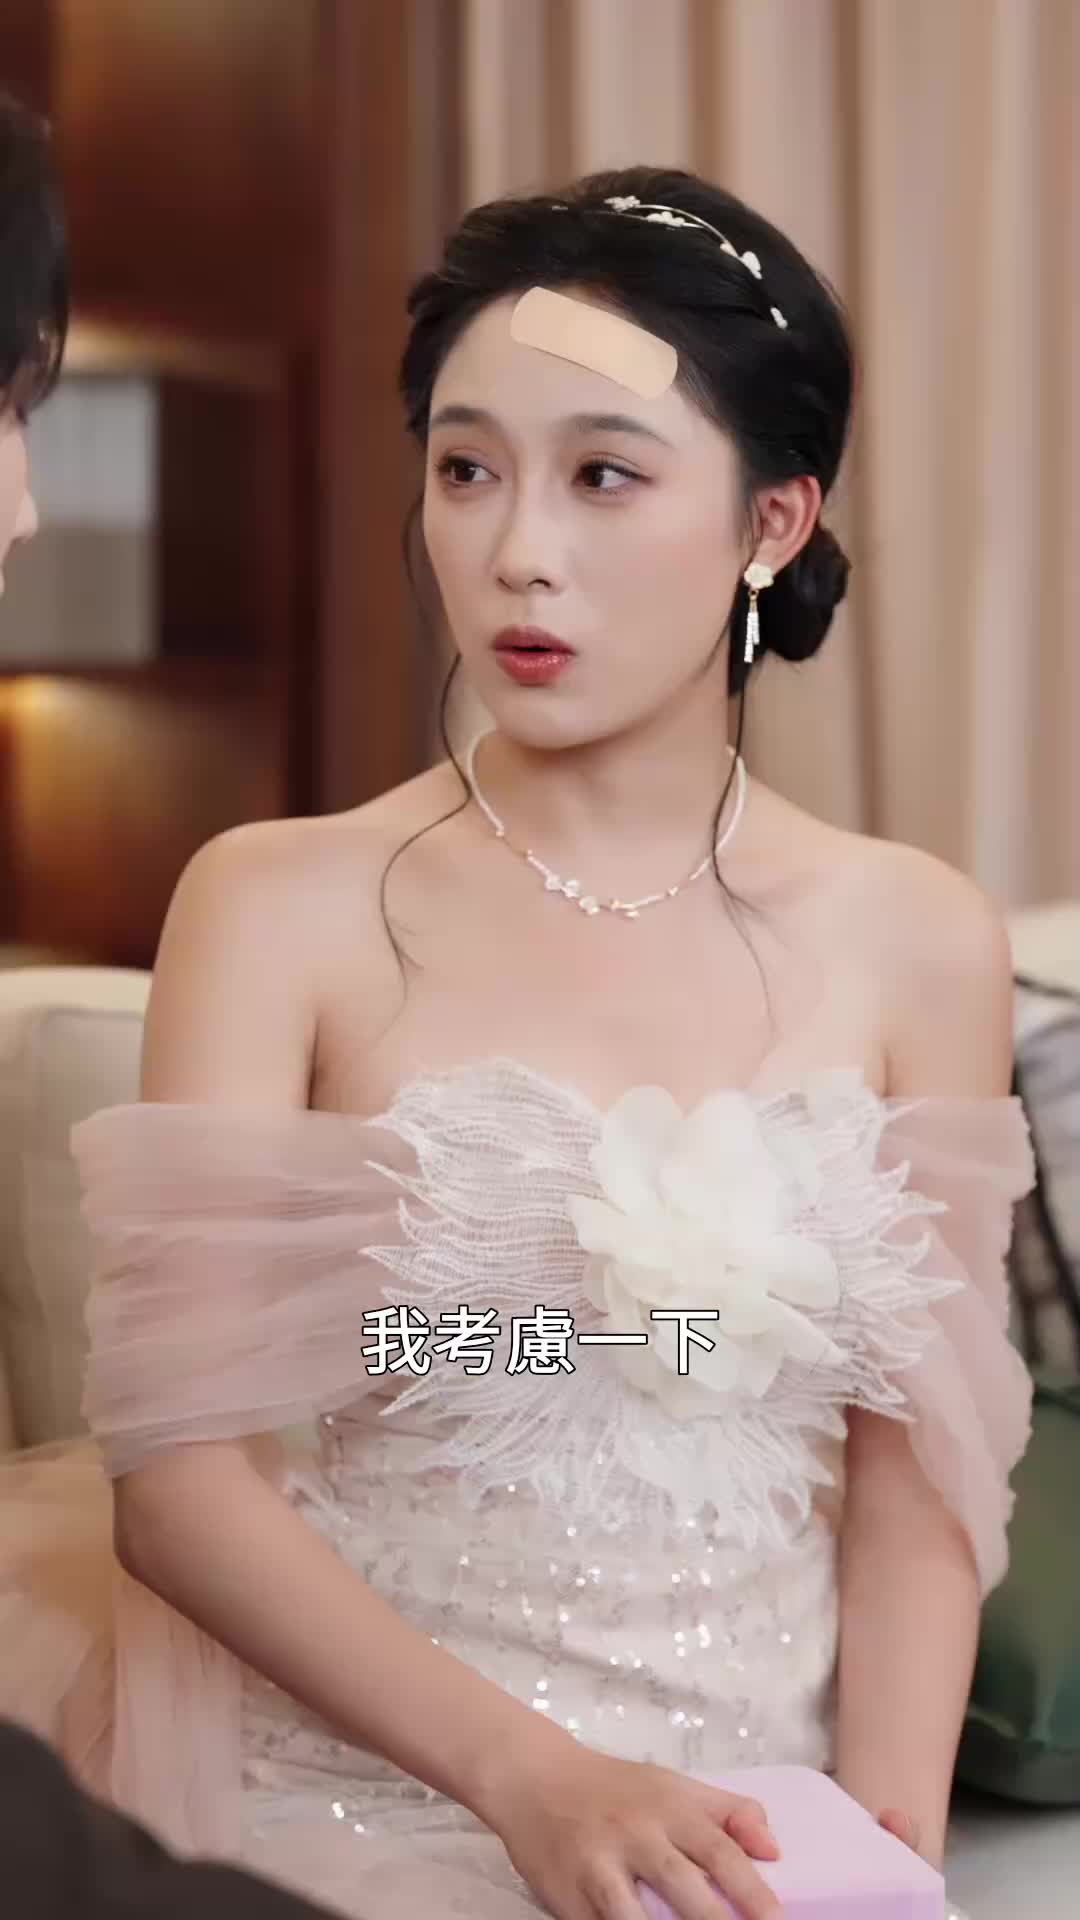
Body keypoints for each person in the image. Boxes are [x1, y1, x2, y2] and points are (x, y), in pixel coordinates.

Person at [0, 164, 1032, 1920]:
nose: (515, 551)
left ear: (774, 522)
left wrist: (884, 1857)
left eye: (603, 476)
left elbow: (913, 1480)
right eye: (467, 469)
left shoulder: (917, 936)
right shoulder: (278, 903)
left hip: (753, 1825)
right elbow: (179, 1493)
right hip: (377, 1800)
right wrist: (534, 1780)